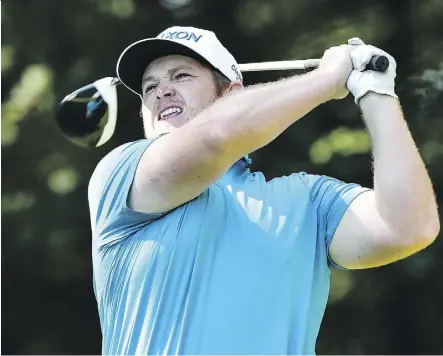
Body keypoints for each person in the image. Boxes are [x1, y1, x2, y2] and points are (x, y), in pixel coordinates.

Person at [87, 26, 439, 355]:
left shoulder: (309, 203)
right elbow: (216, 136)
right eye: (149, 86)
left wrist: (376, 91)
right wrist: (328, 80)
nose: (161, 91)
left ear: (231, 92)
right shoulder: (121, 173)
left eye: (181, 76)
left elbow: (409, 227)